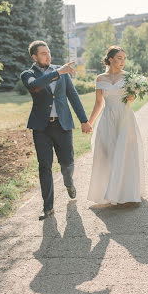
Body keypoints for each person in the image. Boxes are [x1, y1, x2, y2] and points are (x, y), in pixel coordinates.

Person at [21, 40, 92, 220]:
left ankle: (69, 182)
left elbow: (73, 96)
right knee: (44, 166)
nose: (48, 55)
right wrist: (57, 72)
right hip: (41, 128)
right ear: (34, 56)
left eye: (48, 52)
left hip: (63, 125)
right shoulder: (28, 74)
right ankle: (48, 207)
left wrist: (84, 120)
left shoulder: (62, 72)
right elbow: (35, 85)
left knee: (67, 162)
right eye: (43, 53)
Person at [86, 46, 145, 205]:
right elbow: (99, 103)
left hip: (124, 118)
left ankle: (126, 194)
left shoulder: (129, 77)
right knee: (107, 154)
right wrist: (89, 123)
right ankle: (109, 192)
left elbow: (130, 99)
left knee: (124, 153)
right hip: (107, 119)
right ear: (110, 59)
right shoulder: (100, 79)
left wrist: (132, 94)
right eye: (119, 58)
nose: (122, 62)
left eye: (124, 59)